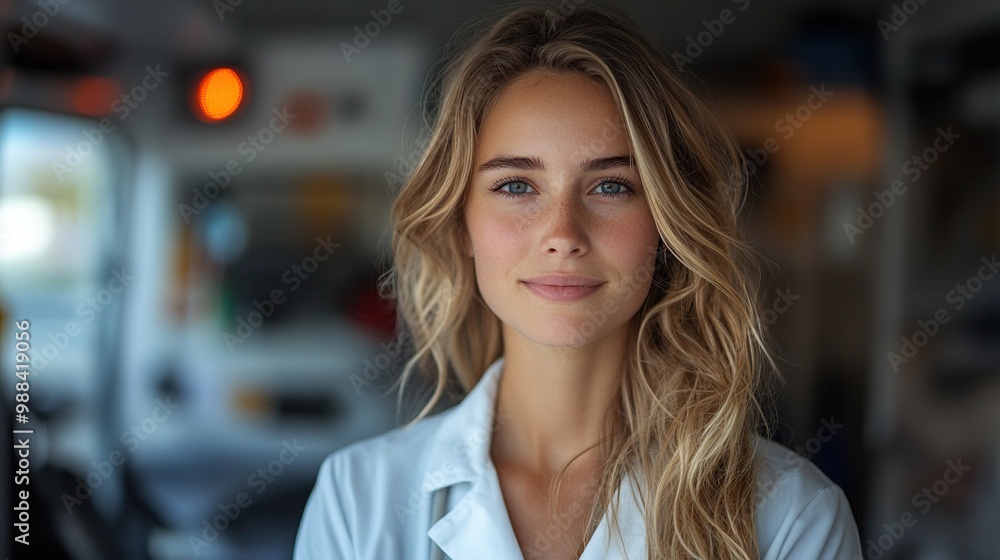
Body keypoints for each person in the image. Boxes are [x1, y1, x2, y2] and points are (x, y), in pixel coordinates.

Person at [294, 3, 863, 559]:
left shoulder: (791, 515)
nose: (562, 233)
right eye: (516, 186)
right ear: (461, 224)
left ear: (665, 225)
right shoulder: (358, 500)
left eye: (611, 186)